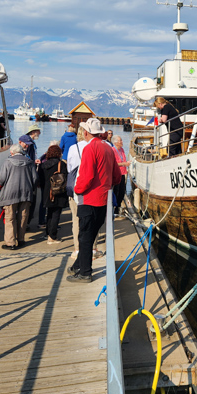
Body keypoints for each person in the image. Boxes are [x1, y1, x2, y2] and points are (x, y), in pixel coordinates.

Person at [67, 117, 120, 283]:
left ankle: (85, 272)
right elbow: (117, 177)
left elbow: (87, 176)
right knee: (90, 233)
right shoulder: (108, 148)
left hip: (89, 199)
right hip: (103, 199)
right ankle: (79, 265)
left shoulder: (90, 148)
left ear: (85, 132)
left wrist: (77, 189)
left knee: (85, 235)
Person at [0, 144, 37, 250]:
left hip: (10, 193)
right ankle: (21, 239)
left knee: (10, 217)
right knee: (23, 216)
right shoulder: (29, 162)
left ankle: (10, 242)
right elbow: (34, 178)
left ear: (12, 152)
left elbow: (1, 179)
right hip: (26, 192)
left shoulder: (7, 162)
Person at [39, 144, 68, 245]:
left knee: (49, 213)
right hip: (58, 191)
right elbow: (65, 178)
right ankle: (52, 236)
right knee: (56, 214)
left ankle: (47, 233)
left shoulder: (43, 165)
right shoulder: (62, 164)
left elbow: (40, 181)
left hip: (47, 191)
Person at [112, 135, 130, 216]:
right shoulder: (112, 150)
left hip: (123, 173)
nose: (122, 142)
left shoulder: (122, 149)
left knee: (122, 192)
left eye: (121, 140)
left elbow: (123, 159)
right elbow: (113, 163)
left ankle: (118, 207)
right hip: (116, 173)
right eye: (120, 141)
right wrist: (123, 164)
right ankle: (114, 208)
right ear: (115, 142)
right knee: (116, 191)